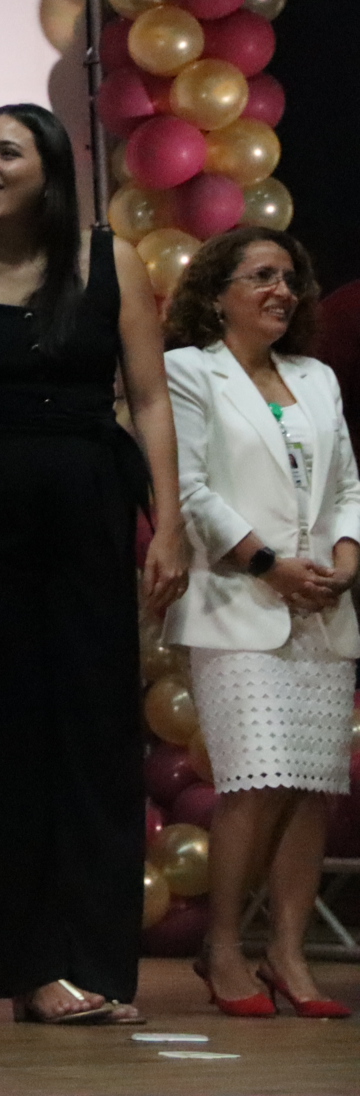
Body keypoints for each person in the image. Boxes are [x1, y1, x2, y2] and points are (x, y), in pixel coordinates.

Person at [0, 103, 185, 1025]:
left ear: (53, 170)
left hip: (87, 510)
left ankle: (93, 958)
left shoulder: (109, 260)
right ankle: (28, 963)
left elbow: (149, 399)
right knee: (1, 738)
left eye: (6, 152)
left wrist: (169, 523)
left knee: (96, 731)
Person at [160, 227, 358, 1019]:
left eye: (290, 277)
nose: (283, 290)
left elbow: (347, 485)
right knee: (255, 780)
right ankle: (223, 949)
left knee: (311, 788)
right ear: (219, 295)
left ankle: (287, 952)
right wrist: (269, 563)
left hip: (324, 607)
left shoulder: (316, 377)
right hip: (240, 602)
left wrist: (346, 559)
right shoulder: (189, 370)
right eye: (263, 275)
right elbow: (191, 489)